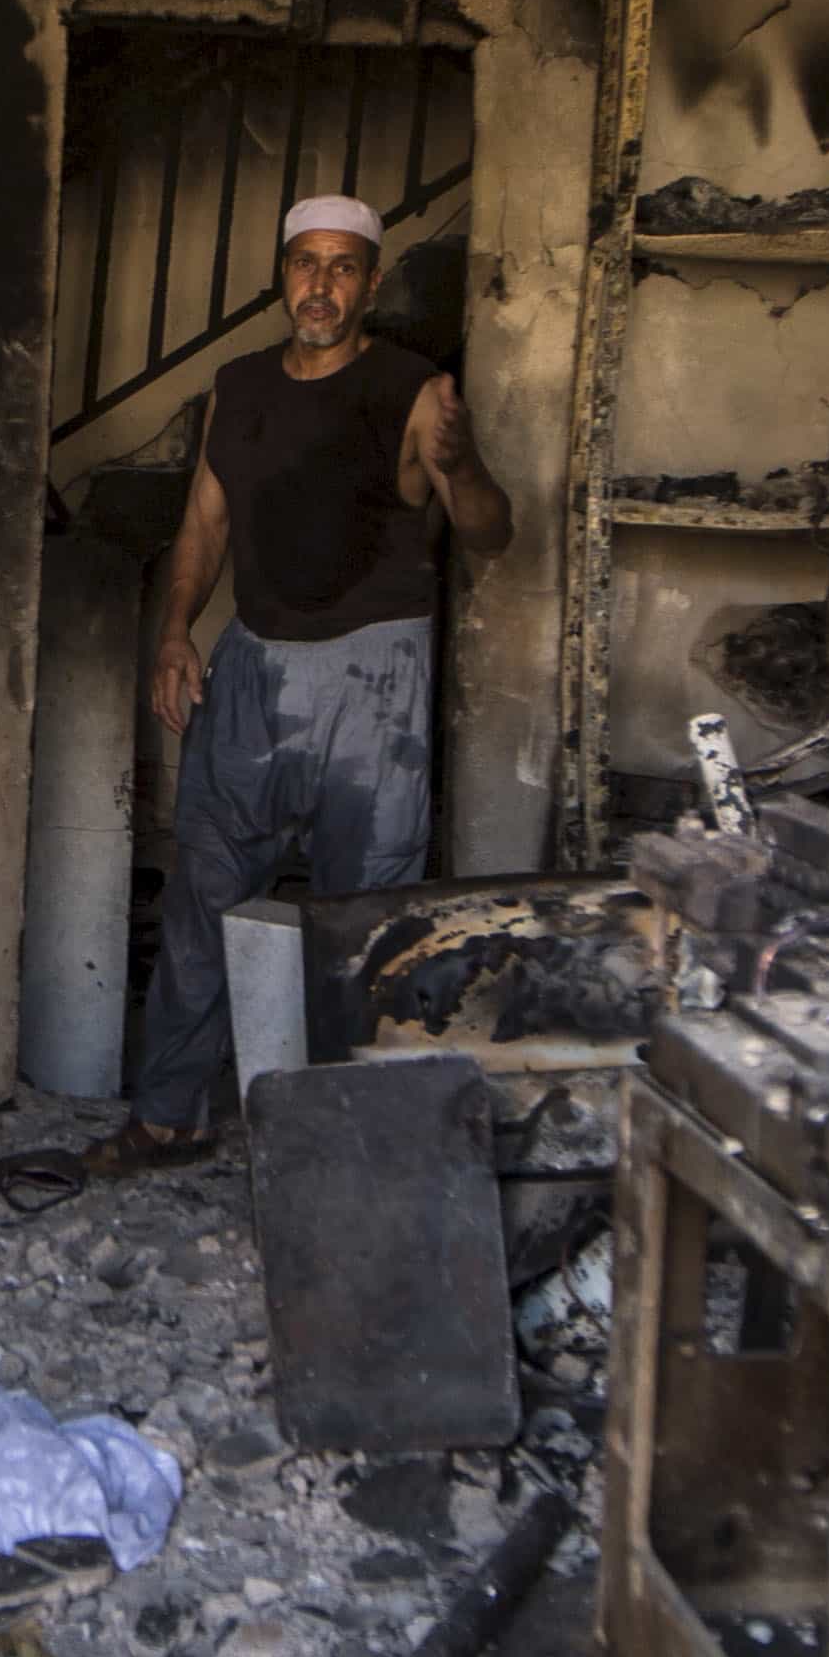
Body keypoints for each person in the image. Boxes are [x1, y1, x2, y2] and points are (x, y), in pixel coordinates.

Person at [103, 193, 510, 1163]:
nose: (319, 285)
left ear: (369, 282)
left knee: (364, 919)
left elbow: (492, 536)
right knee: (203, 894)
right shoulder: (235, 388)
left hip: (376, 686)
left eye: (342, 267)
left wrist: (467, 467)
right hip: (255, 667)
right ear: (282, 274)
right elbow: (206, 522)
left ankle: (352, 1145)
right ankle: (167, 1118)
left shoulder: (414, 390)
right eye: (304, 264)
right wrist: (174, 634)